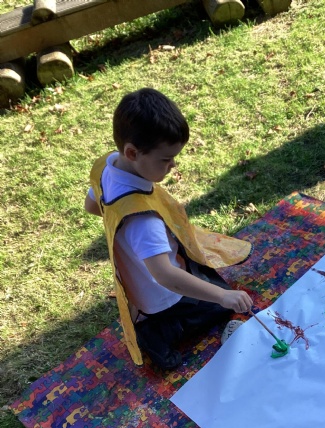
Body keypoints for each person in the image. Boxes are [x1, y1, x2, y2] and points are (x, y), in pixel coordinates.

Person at [84, 88, 253, 370]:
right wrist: (223, 297)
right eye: (165, 159)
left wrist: (124, 233)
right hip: (161, 295)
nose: (173, 165)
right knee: (219, 302)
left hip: (144, 278)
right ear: (132, 152)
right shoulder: (142, 220)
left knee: (214, 288)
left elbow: (92, 205)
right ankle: (156, 333)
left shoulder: (106, 165)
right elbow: (165, 276)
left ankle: (161, 321)